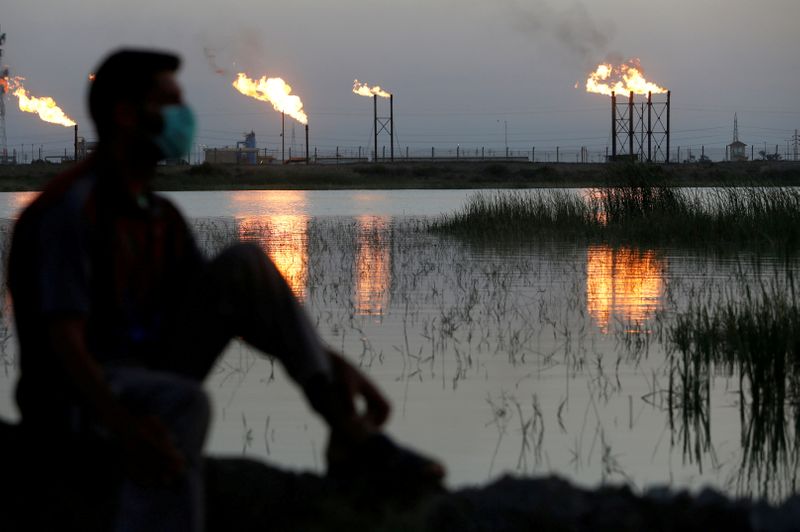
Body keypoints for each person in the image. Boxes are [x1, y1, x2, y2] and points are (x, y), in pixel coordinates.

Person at [8, 49, 443, 532]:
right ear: (126, 115)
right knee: (183, 401)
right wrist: (125, 427)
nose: (183, 116)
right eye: (169, 102)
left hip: (146, 369)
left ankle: (350, 432)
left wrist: (334, 365)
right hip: (77, 400)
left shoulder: (159, 217)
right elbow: (62, 346)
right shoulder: (69, 212)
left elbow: (231, 305)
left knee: (245, 264)